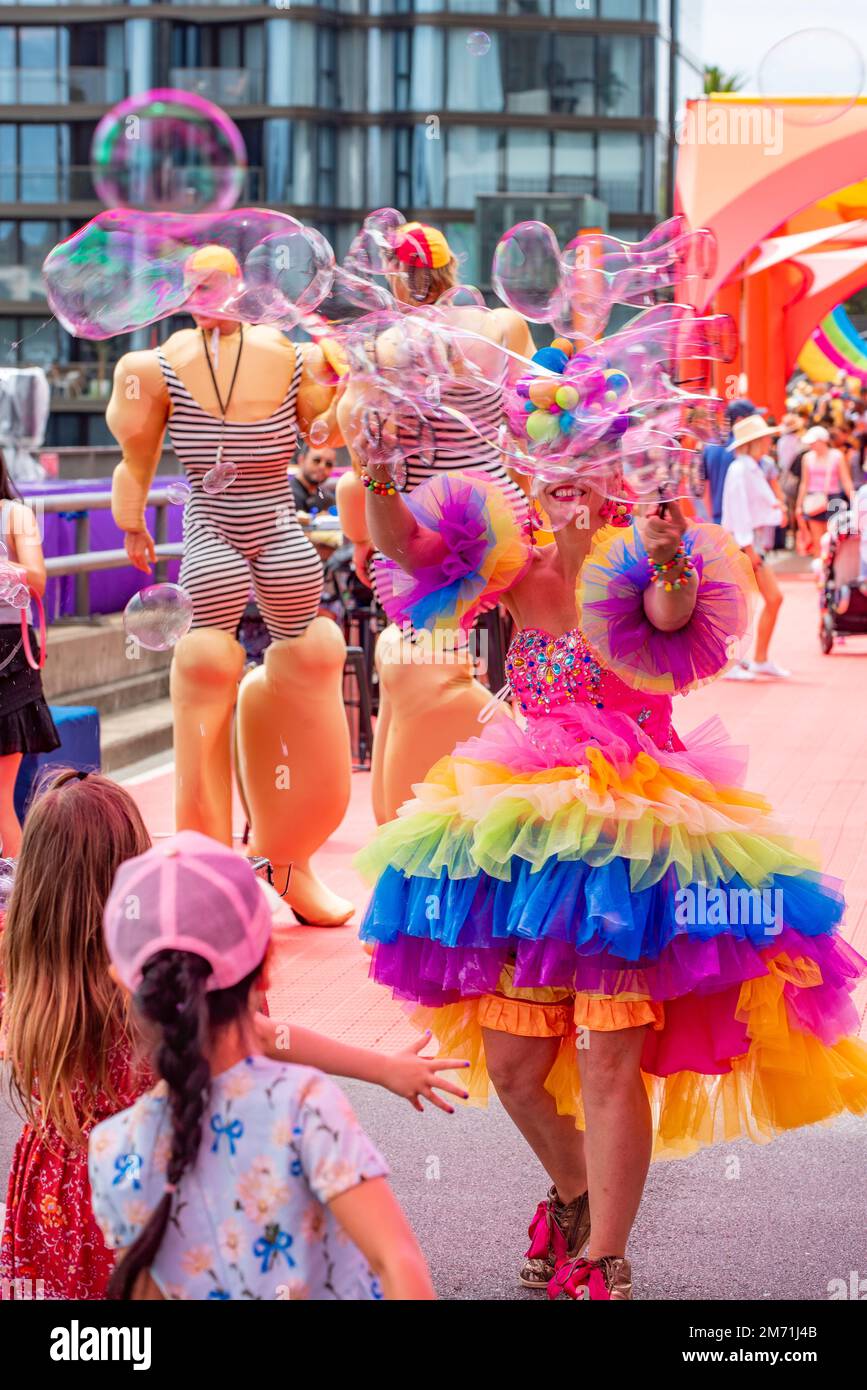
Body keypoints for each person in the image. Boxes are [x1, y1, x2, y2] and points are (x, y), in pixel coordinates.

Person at [354, 456, 867, 1301]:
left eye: (588, 466)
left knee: (604, 1056)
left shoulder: (642, 555)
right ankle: (576, 1192)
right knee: (514, 1066)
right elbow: (406, 549)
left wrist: (668, 555)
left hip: (636, 842)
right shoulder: (516, 561)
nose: (569, 480)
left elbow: (668, 613)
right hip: (520, 836)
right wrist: (377, 477)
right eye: (555, 463)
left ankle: (604, 1254)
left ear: (612, 478)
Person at [0, 771, 469, 1300]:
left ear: (35, 879)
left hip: (60, 1199)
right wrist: (382, 1068)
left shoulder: (23, 974)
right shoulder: (157, 985)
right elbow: (270, 1037)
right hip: (176, 1180)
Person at [107, 244, 353, 926]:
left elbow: (325, 433)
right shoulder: (152, 370)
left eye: (211, 283)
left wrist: (341, 385)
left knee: (311, 655)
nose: (200, 294)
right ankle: (206, 871)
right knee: (206, 664)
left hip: (275, 515)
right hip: (210, 520)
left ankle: (287, 856)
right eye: (192, 285)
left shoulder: (289, 354)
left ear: (239, 288)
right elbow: (138, 457)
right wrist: (132, 523)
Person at [89, 832, 436, 1301]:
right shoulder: (303, 1105)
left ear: (126, 984)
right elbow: (396, 1262)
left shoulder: (113, 1148)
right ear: (267, 965)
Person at [336, 221, 535, 823]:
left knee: (421, 673)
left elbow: (366, 450)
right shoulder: (502, 325)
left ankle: (408, 817)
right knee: (500, 659)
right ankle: (493, 786)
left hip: (422, 527)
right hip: (503, 514)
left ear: (395, 277)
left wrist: (368, 540)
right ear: (453, 269)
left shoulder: (379, 346)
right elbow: (529, 427)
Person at [0, 450, 58, 855]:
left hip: (10, 655)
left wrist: (6, 568)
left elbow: (37, 579)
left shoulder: (15, 515)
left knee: (0, 795)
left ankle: (20, 897)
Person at [721, 415, 788, 679]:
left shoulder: (751, 467)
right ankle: (735, 661)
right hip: (743, 545)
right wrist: (749, 547)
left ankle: (756, 658)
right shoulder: (741, 469)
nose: (770, 441)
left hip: (749, 544)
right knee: (746, 605)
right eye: (766, 437)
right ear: (757, 441)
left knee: (758, 602)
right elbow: (739, 512)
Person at [796, 424, 855, 556]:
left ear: (823, 441)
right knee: (817, 539)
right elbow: (804, 483)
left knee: (834, 538)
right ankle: (820, 571)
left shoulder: (836, 456)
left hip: (833, 499)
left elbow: (846, 480)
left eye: (813, 442)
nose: (811, 445)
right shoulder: (807, 458)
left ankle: (832, 572)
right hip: (814, 500)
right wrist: (799, 505)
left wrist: (854, 501)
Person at [700, 398, 759, 524]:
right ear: (739, 420)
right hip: (743, 521)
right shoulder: (743, 448)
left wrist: (713, 520)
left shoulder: (709, 447)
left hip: (719, 520)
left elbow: (705, 489)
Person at [289, 444, 337, 520]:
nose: (322, 467)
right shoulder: (287, 496)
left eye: (329, 464)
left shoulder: (328, 500)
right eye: (317, 460)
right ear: (301, 460)